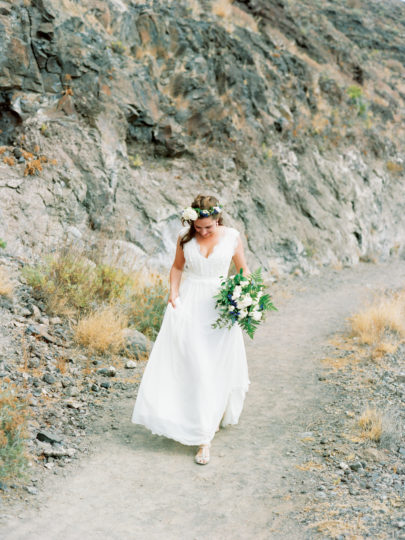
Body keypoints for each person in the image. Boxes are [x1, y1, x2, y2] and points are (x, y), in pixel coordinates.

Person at [131, 194, 250, 465]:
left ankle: (209, 419)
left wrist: (242, 298)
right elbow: (176, 268)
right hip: (190, 304)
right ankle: (203, 437)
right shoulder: (185, 238)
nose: (204, 232)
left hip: (220, 307)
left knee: (213, 367)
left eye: (209, 227)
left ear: (218, 218)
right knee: (194, 365)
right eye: (199, 228)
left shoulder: (232, 237)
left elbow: (243, 271)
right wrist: (173, 294)